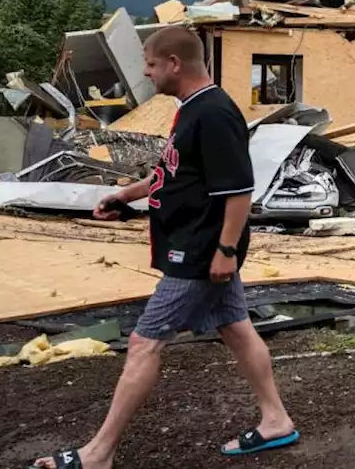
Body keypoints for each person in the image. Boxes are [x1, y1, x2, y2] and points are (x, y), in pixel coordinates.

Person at [33, 26, 297, 469]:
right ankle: (276, 420)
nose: (147, 73)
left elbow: (239, 191)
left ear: (174, 64)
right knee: (235, 327)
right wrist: (124, 196)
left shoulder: (214, 113)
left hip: (200, 252)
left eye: (151, 64)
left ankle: (98, 453)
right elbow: (171, 175)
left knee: (143, 343)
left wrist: (226, 251)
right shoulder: (189, 110)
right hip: (197, 247)